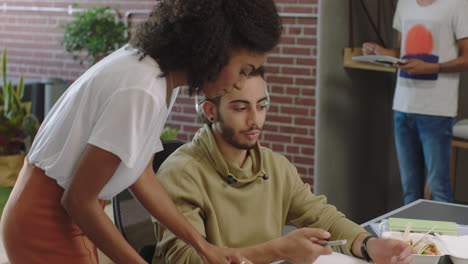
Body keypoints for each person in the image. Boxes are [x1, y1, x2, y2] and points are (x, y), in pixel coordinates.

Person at [0, 0, 282, 263]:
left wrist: (203, 245)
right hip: (45, 222)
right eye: (244, 70)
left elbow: (141, 174)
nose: (240, 83)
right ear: (215, 48)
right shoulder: (141, 88)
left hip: (63, 214)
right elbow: (78, 201)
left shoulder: (157, 75)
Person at [152, 68, 412, 264]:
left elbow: (323, 217)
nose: (255, 120)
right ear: (210, 111)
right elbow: (185, 260)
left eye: (262, 106)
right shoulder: (180, 173)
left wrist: (367, 244)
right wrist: (277, 250)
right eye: (241, 108)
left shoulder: (276, 167)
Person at [362, 0, 468, 204]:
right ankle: (411, 237)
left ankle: (442, 237)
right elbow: (402, 54)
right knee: (410, 190)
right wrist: (380, 52)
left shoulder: (457, 4)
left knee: (439, 188)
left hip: (437, 109)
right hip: (403, 106)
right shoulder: (405, 3)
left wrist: (431, 67)